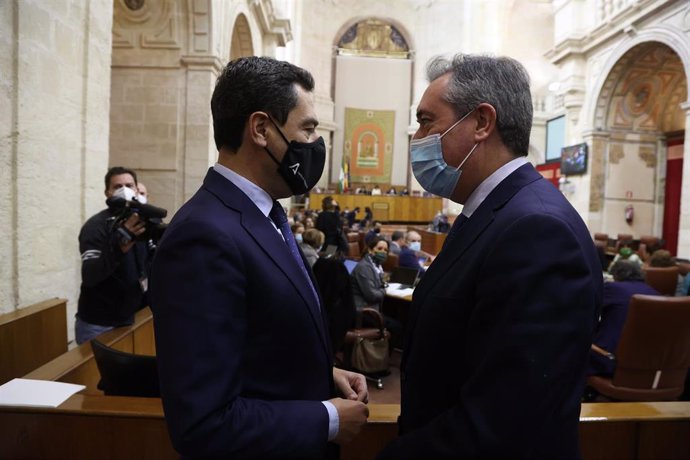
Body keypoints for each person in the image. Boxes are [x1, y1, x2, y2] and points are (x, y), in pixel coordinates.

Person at [377, 54, 602, 459]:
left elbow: (506, 418)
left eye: (427, 121)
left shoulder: (536, 229)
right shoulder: (491, 211)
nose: (417, 137)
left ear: (481, 122)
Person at [150, 56, 368, 459]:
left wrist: (322, 375)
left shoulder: (264, 212)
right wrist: (328, 419)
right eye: (307, 128)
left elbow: (261, 341)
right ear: (262, 129)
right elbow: (204, 423)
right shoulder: (204, 236)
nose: (314, 143)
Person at [75, 166, 151, 344]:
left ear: (136, 189)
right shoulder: (96, 227)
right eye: (117, 187)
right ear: (107, 192)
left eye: (128, 185)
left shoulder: (141, 223)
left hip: (133, 318)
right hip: (100, 323)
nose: (124, 190)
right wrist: (118, 248)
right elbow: (90, 275)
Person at [588, 260, 659, 378]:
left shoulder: (614, 288)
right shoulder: (656, 294)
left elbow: (585, 306)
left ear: (616, 275)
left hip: (608, 361)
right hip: (648, 368)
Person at [350, 236, 403, 348]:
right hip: (363, 312)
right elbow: (372, 296)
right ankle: (384, 359)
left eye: (385, 250)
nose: (383, 252)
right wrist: (384, 289)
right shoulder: (364, 267)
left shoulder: (376, 266)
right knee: (398, 326)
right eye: (379, 248)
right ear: (370, 249)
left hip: (373, 309)